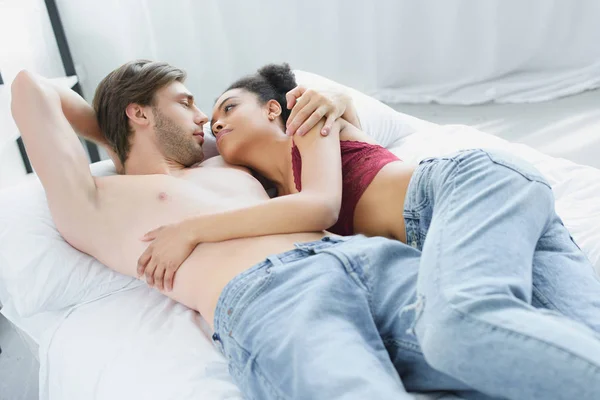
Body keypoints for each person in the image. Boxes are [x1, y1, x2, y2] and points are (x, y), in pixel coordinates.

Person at [11, 60, 600, 400]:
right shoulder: (96, 199)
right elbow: (30, 89)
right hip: (271, 298)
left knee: (498, 346)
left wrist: (330, 97)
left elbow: (286, 118)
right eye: (187, 103)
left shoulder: (223, 161)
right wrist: (117, 125)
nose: (203, 120)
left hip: (367, 257)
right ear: (141, 113)